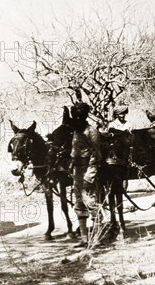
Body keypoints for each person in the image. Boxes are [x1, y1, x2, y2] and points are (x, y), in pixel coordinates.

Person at [70, 102, 103, 246]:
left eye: (80, 116)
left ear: (85, 116)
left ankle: (97, 237)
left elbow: (96, 155)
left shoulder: (92, 131)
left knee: (92, 202)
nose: (77, 118)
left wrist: (90, 175)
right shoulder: (76, 132)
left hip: (88, 170)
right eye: (75, 116)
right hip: (77, 171)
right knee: (78, 203)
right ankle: (84, 238)